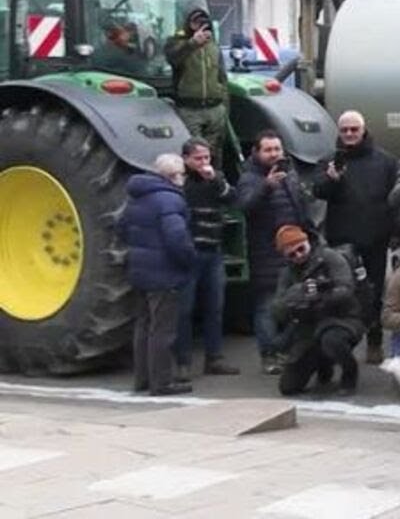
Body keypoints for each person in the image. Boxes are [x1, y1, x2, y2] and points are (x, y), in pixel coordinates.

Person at [312, 111, 398, 366]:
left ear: (363, 130)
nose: (349, 134)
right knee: (341, 292)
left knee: (374, 292)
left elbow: (395, 199)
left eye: (354, 129)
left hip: (376, 237)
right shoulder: (328, 161)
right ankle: (341, 345)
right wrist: (331, 179)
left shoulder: (385, 161)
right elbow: (318, 191)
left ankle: (374, 341)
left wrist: (395, 231)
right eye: (344, 130)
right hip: (341, 239)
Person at [237, 130, 313, 375]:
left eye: (277, 149)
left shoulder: (290, 175)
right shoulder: (249, 179)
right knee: (267, 306)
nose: (274, 154)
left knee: (295, 303)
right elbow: (245, 208)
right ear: (257, 152)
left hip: (293, 250)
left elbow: (300, 207)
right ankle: (269, 355)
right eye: (268, 150)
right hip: (266, 252)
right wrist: (267, 187)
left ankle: (285, 350)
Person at [120, 154, 196, 397]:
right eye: (182, 173)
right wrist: (189, 260)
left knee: (143, 325)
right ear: (174, 176)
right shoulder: (170, 200)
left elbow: (121, 227)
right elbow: (177, 238)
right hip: (164, 273)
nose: (184, 177)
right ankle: (161, 383)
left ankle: (141, 379)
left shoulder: (137, 196)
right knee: (163, 330)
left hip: (139, 270)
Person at [270, 226, 364, 396]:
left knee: (332, 340)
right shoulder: (287, 274)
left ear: (307, 243)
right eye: (292, 254)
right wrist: (296, 297)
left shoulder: (330, 258)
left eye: (301, 249)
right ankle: (322, 364)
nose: (299, 255)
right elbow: (277, 309)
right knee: (288, 387)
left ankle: (349, 373)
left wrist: (321, 295)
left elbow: (346, 289)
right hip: (308, 326)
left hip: (342, 318)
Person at [174, 139, 240, 379]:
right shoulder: (181, 182)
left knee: (215, 307)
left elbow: (233, 198)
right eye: (198, 159)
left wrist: (216, 180)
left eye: (207, 158)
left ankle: (214, 358)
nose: (204, 163)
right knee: (184, 310)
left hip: (213, 251)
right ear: (186, 159)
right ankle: (183, 362)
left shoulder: (216, 179)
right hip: (191, 253)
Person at [165, 8, 228, 165]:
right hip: (190, 109)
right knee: (195, 154)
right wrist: (192, 43)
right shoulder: (177, 43)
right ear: (189, 24)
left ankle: (215, 183)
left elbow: (222, 76)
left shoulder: (214, 46)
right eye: (195, 22)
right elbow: (173, 59)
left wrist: (224, 106)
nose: (200, 26)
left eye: (204, 22)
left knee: (214, 154)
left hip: (215, 109)